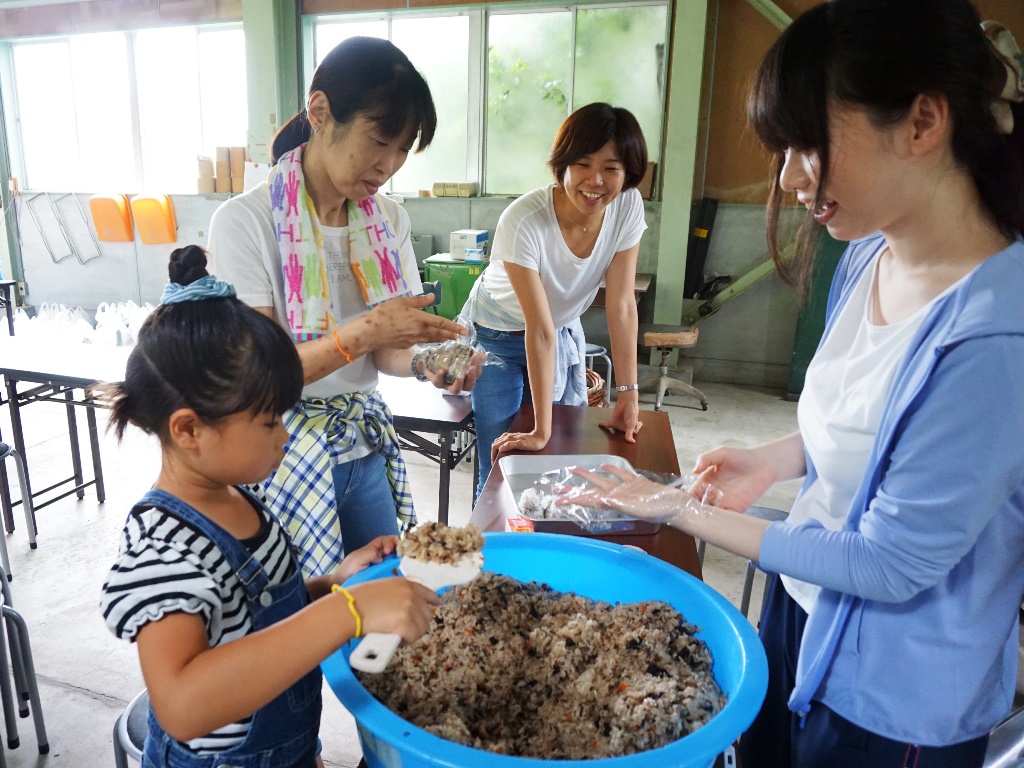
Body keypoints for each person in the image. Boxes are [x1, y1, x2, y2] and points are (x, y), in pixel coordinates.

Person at [562, 2, 1024, 766]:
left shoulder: (994, 336)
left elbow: (889, 564)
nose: (790, 178)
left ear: (922, 123)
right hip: (802, 602)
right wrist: (781, 458)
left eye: (808, 145)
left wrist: (674, 507)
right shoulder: (869, 252)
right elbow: (873, 425)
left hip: (895, 692)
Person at [99, 246, 439, 767]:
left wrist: (334, 584)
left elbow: (250, 617)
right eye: (269, 421)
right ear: (189, 429)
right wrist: (345, 612)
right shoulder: (164, 549)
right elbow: (184, 705)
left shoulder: (238, 495)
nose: (285, 436)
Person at [207, 36, 482, 576]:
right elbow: (264, 380)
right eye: (380, 141)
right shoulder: (245, 223)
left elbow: (388, 355)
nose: (389, 166)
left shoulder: (387, 222)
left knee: (382, 593)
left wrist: (431, 364)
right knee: (299, 616)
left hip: (361, 445)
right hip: (280, 451)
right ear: (321, 112)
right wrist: (372, 328)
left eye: (403, 151)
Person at [459, 102, 649, 496]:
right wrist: (538, 430)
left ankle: (542, 545)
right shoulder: (524, 219)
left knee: (560, 453)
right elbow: (538, 330)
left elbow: (621, 304)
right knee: (501, 459)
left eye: (611, 168)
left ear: (628, 173)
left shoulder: (627, 206)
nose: (595, 181)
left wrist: (629, 395)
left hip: (558, 327)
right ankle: (493, 550)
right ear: (561, 164)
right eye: (582, 164)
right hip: (498, 332)